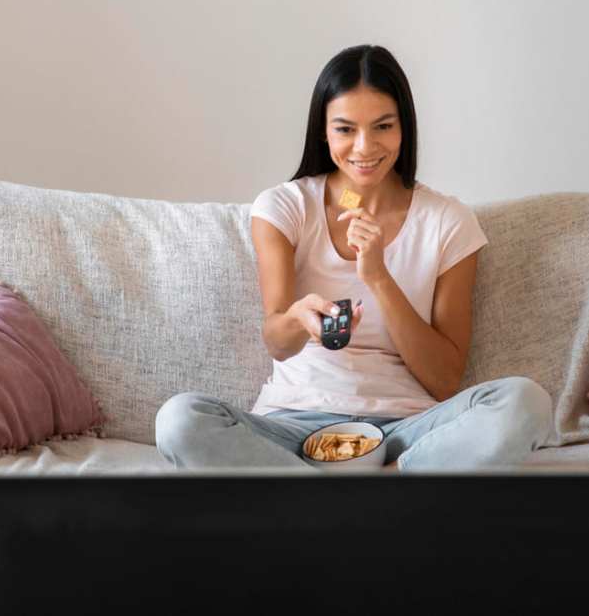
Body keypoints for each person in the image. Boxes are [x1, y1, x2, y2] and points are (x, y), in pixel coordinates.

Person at [155, 44, 552, 472]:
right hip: (295, 425)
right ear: (323, 132)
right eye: (345, 129)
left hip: (406, 430)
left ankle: (343, 494)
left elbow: (444, 381)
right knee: (179, 420)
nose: (364, 148)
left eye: (382, 126)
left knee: (527, 402)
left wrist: (379, 276)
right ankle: (366, 498)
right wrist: (299, 318)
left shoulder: (447, 221)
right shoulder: (284, 207)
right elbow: (276, 340)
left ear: (404, 129)